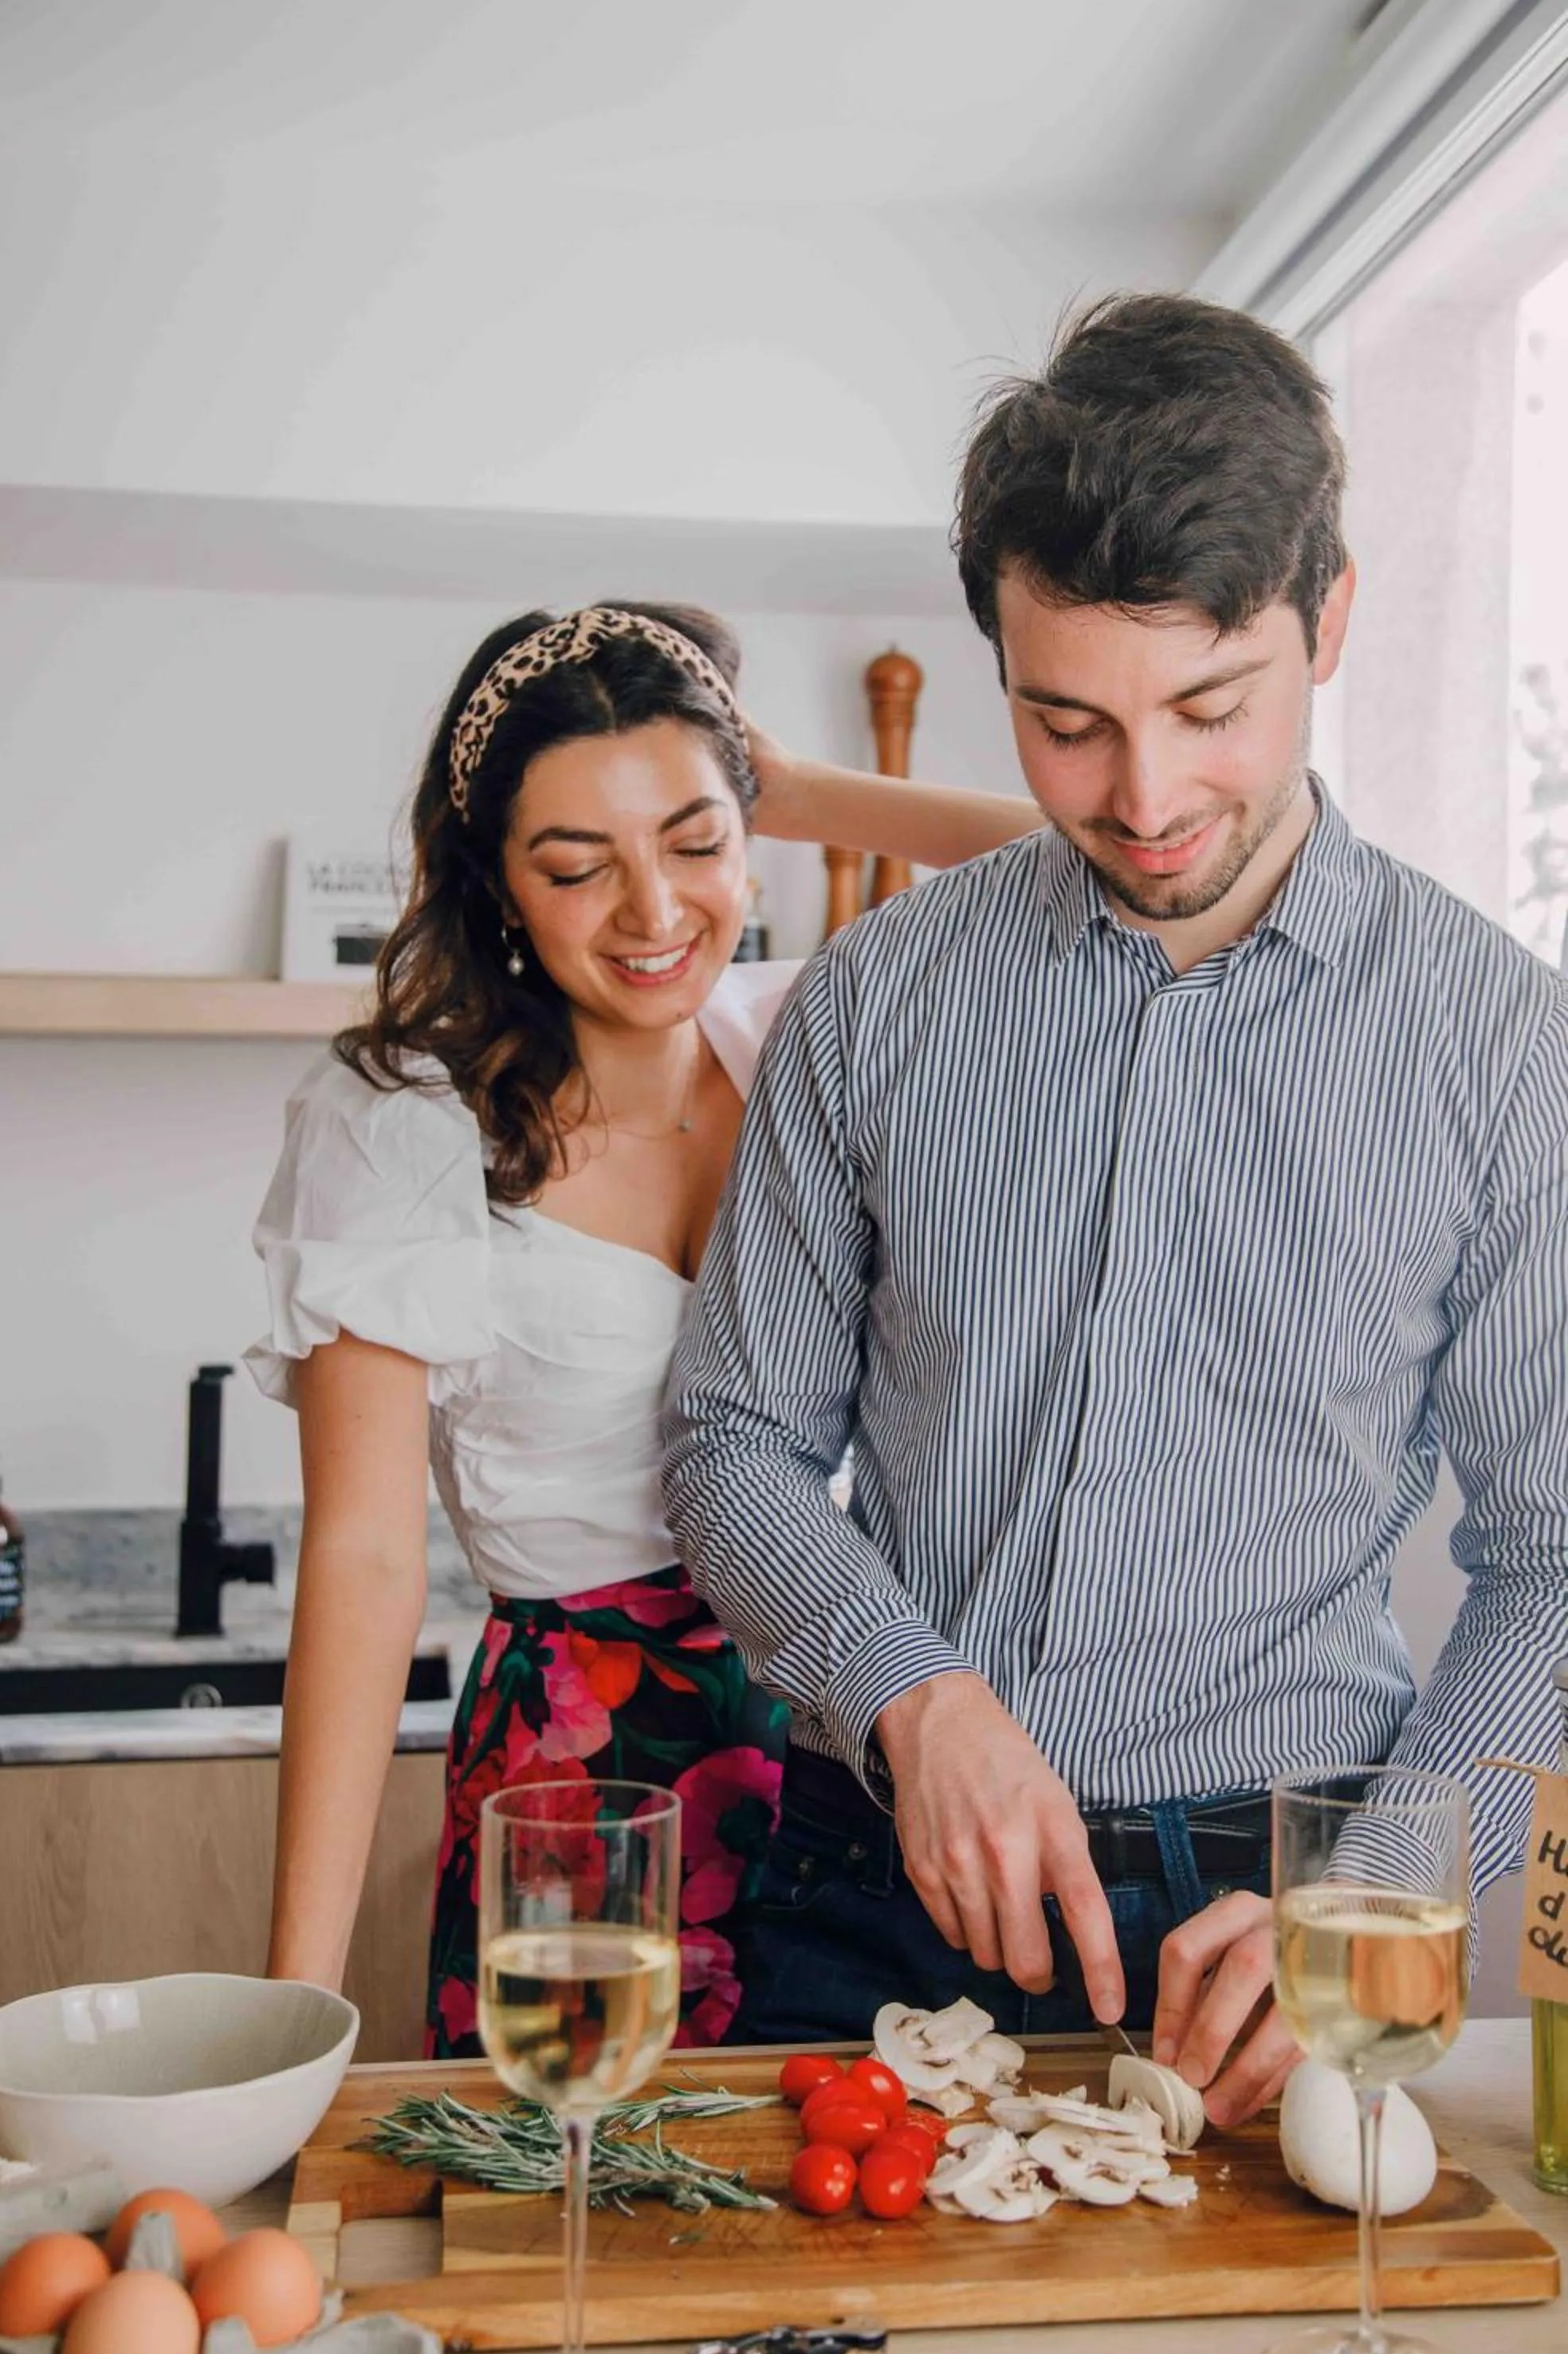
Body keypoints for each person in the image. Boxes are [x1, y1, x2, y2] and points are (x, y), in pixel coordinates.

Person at [662, 296, 1568, 2124]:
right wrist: (911, 1693)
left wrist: (1380, 1894)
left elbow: (1553, 1554)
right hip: (875, 1869)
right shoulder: (871, 1002)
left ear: (1326, 620)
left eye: (1207, 709)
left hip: (1268, 1913)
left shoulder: (1502, 1045)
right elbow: (731, 1434)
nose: (1143, 800)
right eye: (1065, 723)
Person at [246, 599, 1041, 2053]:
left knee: (851, 2192)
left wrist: (795, 788)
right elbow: (361, 1565)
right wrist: (298, 2008)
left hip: (849, 1715)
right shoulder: (403, 1125)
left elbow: (1081, 861)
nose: (656, 913)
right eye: (577, 865)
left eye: (696, 842)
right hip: (582, 1763)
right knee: (582, 2207)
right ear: (493, 880)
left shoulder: (808, 1028)